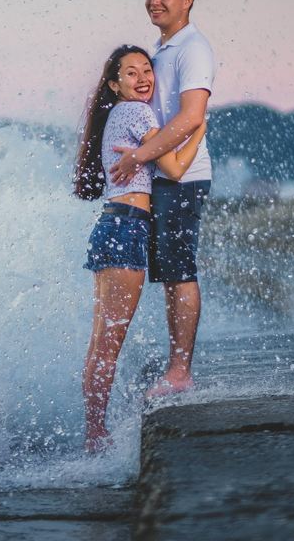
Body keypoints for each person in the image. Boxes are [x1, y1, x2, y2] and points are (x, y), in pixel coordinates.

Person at [73, 44, 206, 453]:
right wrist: (197, 124)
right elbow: (176, 168)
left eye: (147, 69)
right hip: (127, 228)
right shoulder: (137, 112)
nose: (143, 78)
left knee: (102, 341)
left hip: (112, 226)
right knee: (109, 343)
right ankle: (95, 436)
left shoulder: (116, 115)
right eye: (131, 73)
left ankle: (94, 431)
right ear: (114, 84)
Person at [109, 0, 215, 401]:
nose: (154, 0)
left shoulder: (194, 49)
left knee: (179, 269)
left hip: (184, 176)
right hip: (165, 175)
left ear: (187, 0)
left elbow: (192, 116)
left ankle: (179, 372)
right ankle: (175, 366)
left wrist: (139, 155)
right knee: (169, 272)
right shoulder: (162, 48)